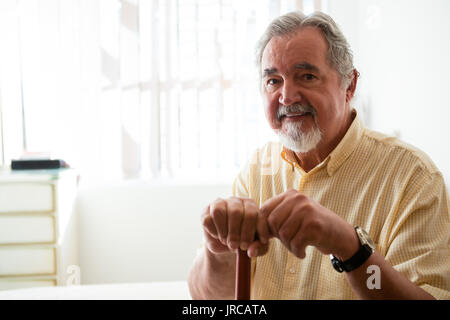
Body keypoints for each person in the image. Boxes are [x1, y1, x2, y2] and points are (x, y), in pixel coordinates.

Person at [187, 11, 450, 300]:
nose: (287, 96)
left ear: (349, 85)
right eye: (273, 81)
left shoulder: (412, 178)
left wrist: (351, 249)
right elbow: (209, 300)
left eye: (306, 76)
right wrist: (218, 251)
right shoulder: (258, 169)